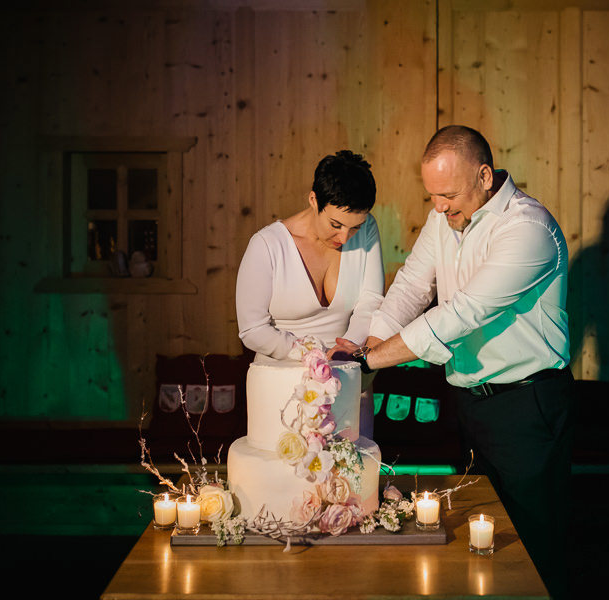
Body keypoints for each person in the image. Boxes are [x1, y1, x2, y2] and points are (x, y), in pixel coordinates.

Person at [333, 126, 575, 598]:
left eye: (447, 194)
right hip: (471, 405)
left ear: (484, 176)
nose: (439, 207)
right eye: (432, 196)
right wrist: (366, 349)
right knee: (484, 544)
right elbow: (410, 287)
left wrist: (369, 361)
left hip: (528, 407)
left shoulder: (529, 229)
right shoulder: (445, 217)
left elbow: (460, 315)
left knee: (535, 546)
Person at [236, 150, 384, 436]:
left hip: (348, 378)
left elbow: (371, 301)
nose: (344, 238)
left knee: (350, 475)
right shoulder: (266, 245)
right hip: (280, 386)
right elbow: (252, 330)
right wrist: (313, 354)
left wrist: (346, 351)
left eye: (354, 228)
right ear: (314, 200)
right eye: (335, 225)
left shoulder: (368, 230)